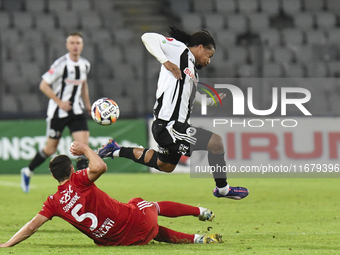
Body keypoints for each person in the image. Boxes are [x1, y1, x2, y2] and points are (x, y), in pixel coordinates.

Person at [97, 26, 249, 200]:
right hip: (170, 125)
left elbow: (191, 95)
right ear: (200, 47)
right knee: (216, 143)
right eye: (209, 55)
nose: (209, 61)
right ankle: (222, 189)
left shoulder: (192, 71)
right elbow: (148, 37)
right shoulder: (179, 50)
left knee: (166, 165)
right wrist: (164, 61)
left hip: (170, 126)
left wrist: (208, 101)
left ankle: (115, 150)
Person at [0, 141, 222, 247]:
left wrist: (6, 245)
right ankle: (200, 211)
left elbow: (31, 227)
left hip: (117, 241)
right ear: (71, 170)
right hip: (135, 225)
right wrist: (86, 149)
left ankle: (198, 239)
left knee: (143, 220)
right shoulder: (78, 179)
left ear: (53, 177)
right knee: (143, 204)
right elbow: (100, 167)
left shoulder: (53, 202)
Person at [20, 32, 92, 193]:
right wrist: (60, 102)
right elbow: (43, 85)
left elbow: (83, 85)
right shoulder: (61, 64)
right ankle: (28, 170)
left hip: (77, 111)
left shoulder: (85, 65)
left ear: (82, 45)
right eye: (72, 43)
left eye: (78, 43)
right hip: (58, 112)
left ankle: (81, 189)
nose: (75, 46)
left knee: (82, 146)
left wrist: (88, 105)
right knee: (50, 149)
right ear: (67, 45)